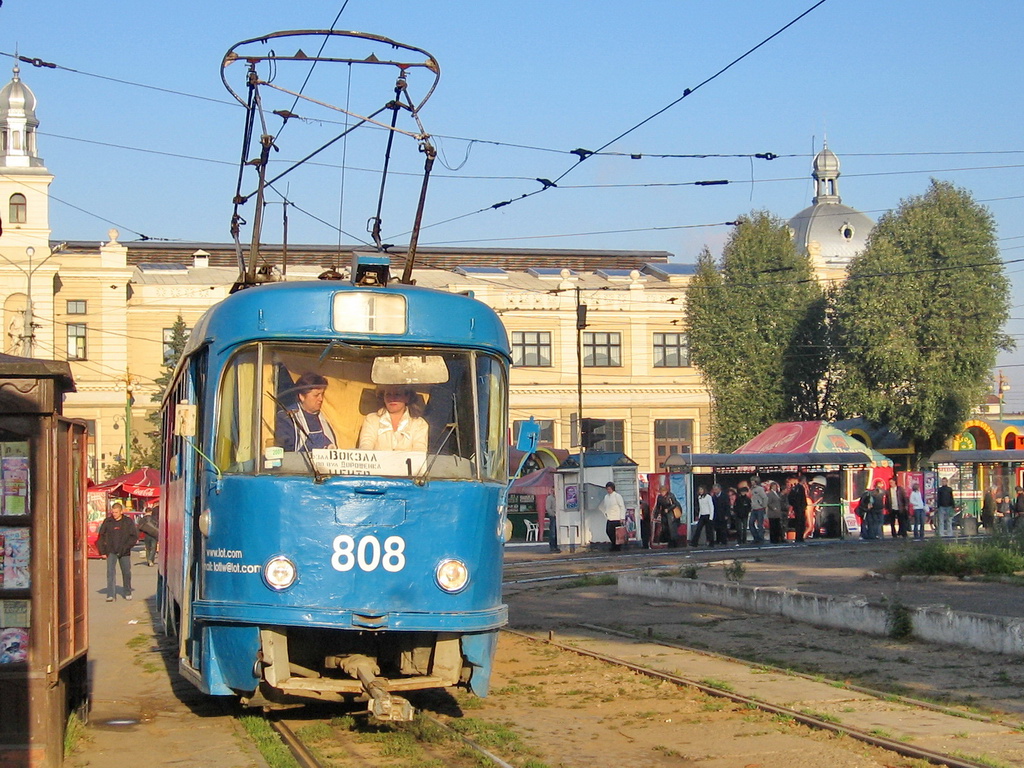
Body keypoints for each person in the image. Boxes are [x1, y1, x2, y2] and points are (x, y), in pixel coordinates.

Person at [276, 372, 338, 452]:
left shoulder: (326, 417)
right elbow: (285, 452)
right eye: (316, 395)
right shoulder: (287, 418)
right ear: (302, 396)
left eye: (322, 394)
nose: (321, 399)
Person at [358, 385, 429, 451]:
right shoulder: (371, 419)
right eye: (388, 394)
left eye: (397, 394)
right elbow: (365, 448)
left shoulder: (420, 424)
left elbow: (419, 454)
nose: (392, 399)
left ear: (407, 398)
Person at [97, 502, 138, 601]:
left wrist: (127, 547)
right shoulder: (108, 521)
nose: (114, 514)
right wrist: (102, 551)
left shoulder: (128, 522)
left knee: (126, 572)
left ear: (121, 512)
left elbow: (134, 537)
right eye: (113, 512)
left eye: (116, 512)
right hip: (111, 551)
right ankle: (111, 594)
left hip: (124, 552)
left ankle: (127, 592)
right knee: (110, 573)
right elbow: (101, 536)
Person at [599, 481, 626, 551]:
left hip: (617, 517)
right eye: (607, 489)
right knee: (609, 531)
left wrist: (622, 517)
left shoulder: (617, 496)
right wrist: (605, 513)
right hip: (610, 518)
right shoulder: (606, 497)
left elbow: (622, 507)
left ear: (612, 489)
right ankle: (614, 544)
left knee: (617, 533)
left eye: (609, 489)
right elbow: (605, 506)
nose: (608, 490)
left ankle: (617, 546)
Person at [654, 483, 682, 548]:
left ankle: (674, 543)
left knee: (672, 529)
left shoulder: (671, 496)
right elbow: (658, 507)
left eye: (663, 491)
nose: (662, 493)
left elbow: (674, 504)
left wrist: (668, 509)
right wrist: (656, 515)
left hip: (671, 514)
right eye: (661, 492)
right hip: (664, 514)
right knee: (665, 528)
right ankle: (668, 541)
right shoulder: (660, 497)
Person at [787, 476, 808, 543]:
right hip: (800, 509)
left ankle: (799, 538)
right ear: (803, 480)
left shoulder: (796, 488)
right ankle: (799, 538)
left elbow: (790, 497)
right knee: (800, 523)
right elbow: (800, 499)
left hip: (798, 508)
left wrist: (794, 505)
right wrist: (800, 506)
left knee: (799, 523)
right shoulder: (800, 488)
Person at [748, 476, 767, 545]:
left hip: (759, 509)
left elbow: (764, 497)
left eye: (752, 481)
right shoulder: (752, 489)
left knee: (760, 525)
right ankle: (756, 537)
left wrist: (763, 506)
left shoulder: (760, 489)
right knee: (751, 523)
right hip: (754, 509)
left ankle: (761, 539)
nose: (751, 482)